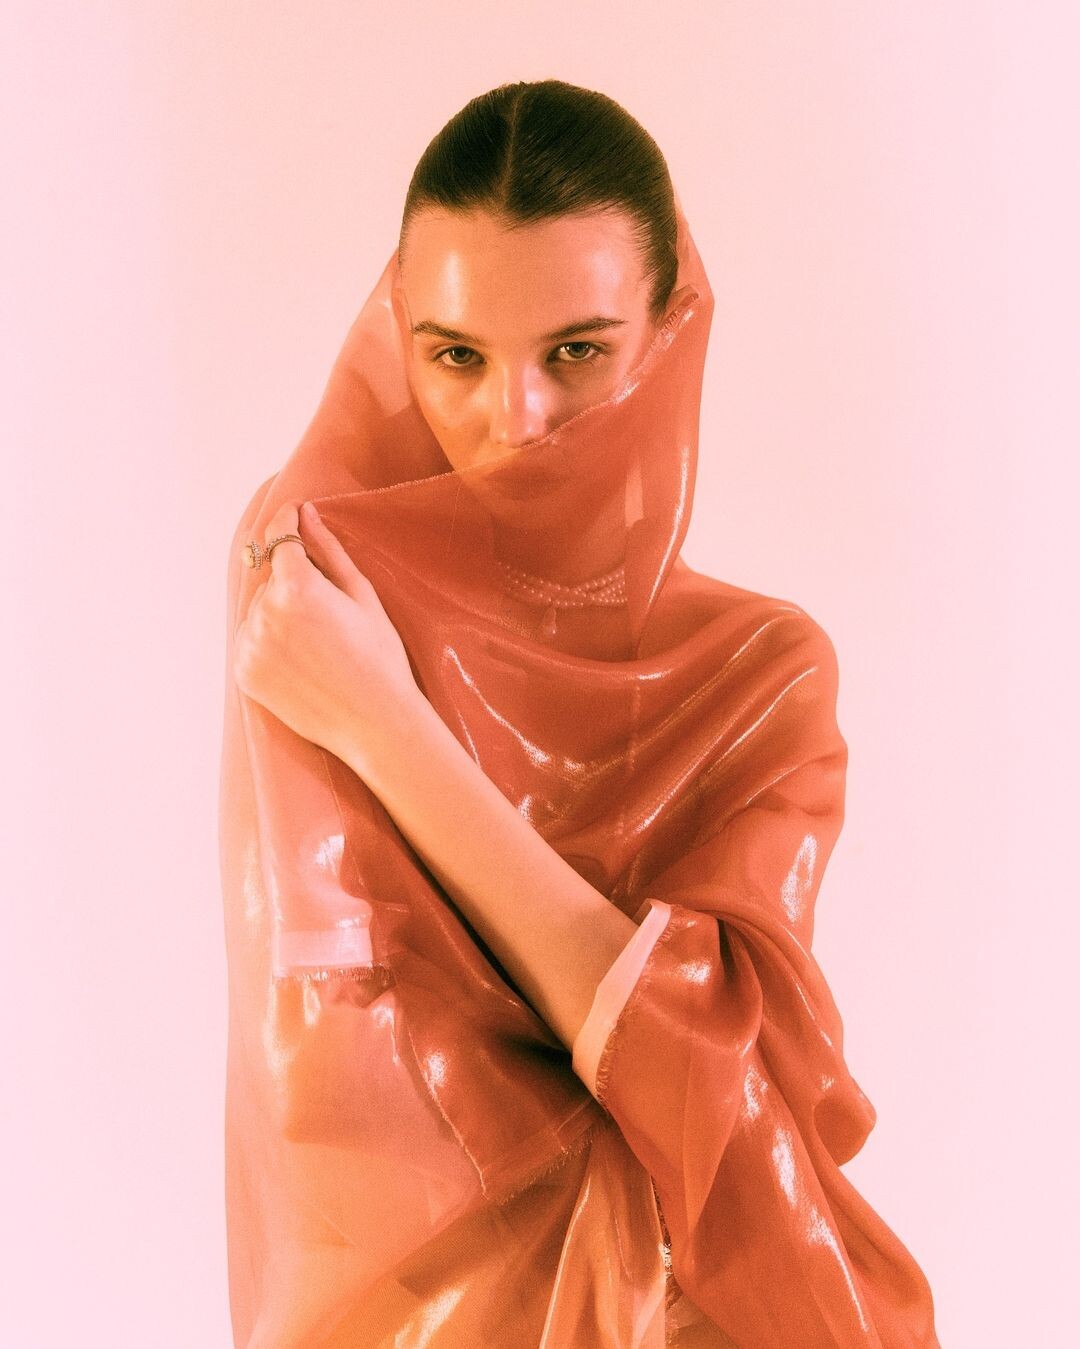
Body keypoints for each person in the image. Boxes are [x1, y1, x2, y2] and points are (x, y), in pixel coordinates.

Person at [219, 79, 941, 1347]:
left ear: (667, 335)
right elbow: (343, 1087)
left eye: (575, 351)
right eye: (456, 355)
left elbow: (728, 1113)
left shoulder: (761, 673)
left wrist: (387, 730)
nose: (515, 419)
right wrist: (650, 1040)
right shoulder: (313, 603)